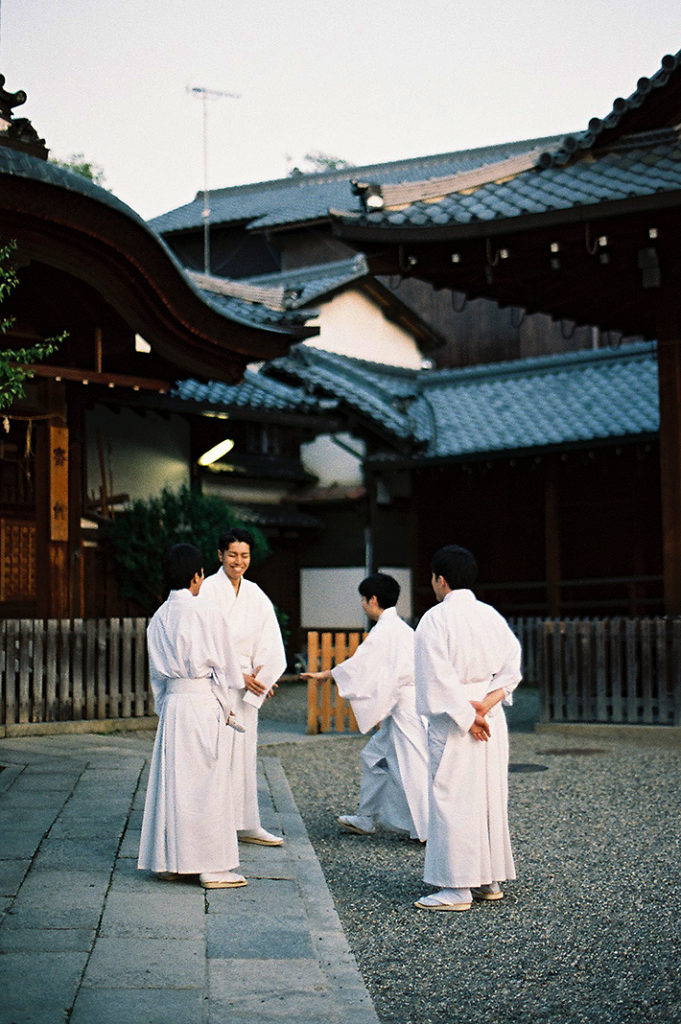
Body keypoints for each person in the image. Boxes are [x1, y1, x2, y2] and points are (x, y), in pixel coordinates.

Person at [413, 544, 522, 911]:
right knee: (488, 795)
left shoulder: (435, 619)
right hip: (488, 715)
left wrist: (467, 716)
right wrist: (485, 708)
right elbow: (511, 667)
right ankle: (488, 879)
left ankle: (457, 887)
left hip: (458, 718)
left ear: (441, 580)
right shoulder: (490, 616)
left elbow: (436, 677)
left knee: (452, 798)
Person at [137, 543, 247, 890]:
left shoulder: (159, 619)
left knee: (175, 784)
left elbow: (156, 676)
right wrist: (227, 699)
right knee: (208, 784)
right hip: (200, 702)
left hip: (174, 704)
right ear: (196, 576)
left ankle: (172, 860)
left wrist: (165, 705)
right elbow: (227, 668)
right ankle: (211, 866)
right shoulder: (206, 612)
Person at [301, 573, 429, 842]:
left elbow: (360, 666)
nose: (362, 604)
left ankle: (429, 829)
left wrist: (327, 674)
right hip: (403, 705)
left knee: (412, 765)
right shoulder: (402, 628)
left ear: (373, 600)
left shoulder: (385, 631)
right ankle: (367, 817)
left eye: (363, 599)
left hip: (405, 707)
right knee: (374, 756)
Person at [200, 527, 286, 846]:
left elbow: (269, 639)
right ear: (220, 555)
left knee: (245, 755)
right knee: (218, 752)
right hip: (219, 684)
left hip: (249, 687)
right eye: (233, 554)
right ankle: (215, 824)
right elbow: (206, 641)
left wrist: (265, 678)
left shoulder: (255, 593)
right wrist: (237, 672)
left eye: (245, 555)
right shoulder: (208, 590)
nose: (239, 561)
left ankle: (247, 822)